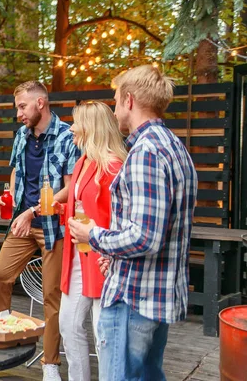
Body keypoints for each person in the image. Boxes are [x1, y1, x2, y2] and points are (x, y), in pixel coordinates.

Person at [69, 65, 198, 380]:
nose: (114, 111)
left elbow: (145, 238)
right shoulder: (174, 147)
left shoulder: (145, 153)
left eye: (115, 101)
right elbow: (154, 228)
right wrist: (114, 255)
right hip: (155, 296)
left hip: (134, 299)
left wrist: (94, 235)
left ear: (129, 100)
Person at [0, 81, 80, 381]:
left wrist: (33, 211)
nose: (18, 113)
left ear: (40, 103)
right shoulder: (21, 135)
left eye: (22, 106)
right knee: (0, 277)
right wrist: (10, 197)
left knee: (51, 295)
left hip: (52, 226)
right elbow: (16, 171)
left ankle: (50, 364)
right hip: (23, 223)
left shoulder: (68, 136)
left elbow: (71, 188)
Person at [52, 101, 126, 381]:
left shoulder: (114, 167)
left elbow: (119, 219)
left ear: (92, 127)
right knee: (69, 326)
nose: (71, 127)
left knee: (103, 334)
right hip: (78, 257)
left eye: (77, 122)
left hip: (103, 262)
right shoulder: (83, 162)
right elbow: (82, 205)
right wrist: (61, 209)